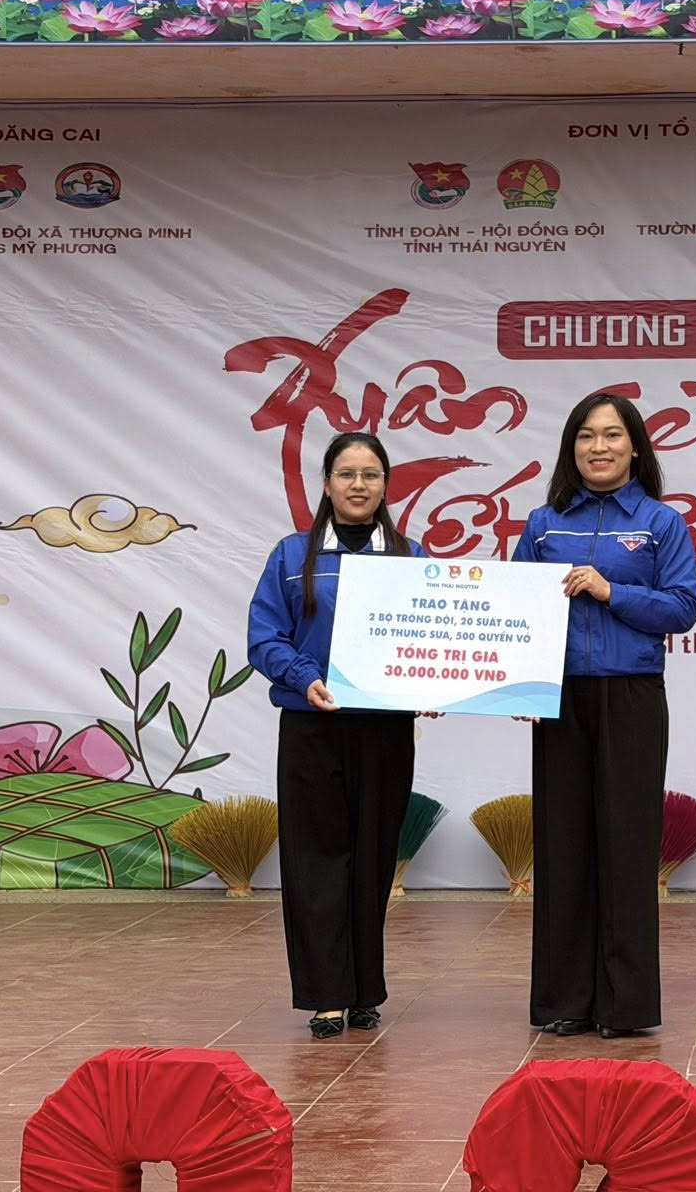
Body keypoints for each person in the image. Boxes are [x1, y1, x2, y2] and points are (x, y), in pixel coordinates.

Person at [513, 392, 696, 1039]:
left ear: (635, 447)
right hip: (559, 698)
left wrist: (610, 589)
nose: (599, 447)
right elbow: (516, 612)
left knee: (627, 845)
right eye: (586, 436)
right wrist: (518, 689)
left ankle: (625, 1007)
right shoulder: (543, 525)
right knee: (561, 844)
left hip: (631, 696)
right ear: (571, 448)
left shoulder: (660, 524)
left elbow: (682, 608)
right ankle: (564, 1001)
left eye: (612, 435)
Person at [248, 431, 423, 1039]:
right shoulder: (291, 556)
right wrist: (305, 677)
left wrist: (437, 685)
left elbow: (433, 637)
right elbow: (264, 639)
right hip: (312, 725)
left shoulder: (411, 557)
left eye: (370, 474)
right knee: (316, 860)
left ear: (385, 485)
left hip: (385, 730)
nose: (358, 484)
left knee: (373, 859)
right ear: (326, 483)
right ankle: (326, 997)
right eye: (346, 473)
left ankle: (364, 991)